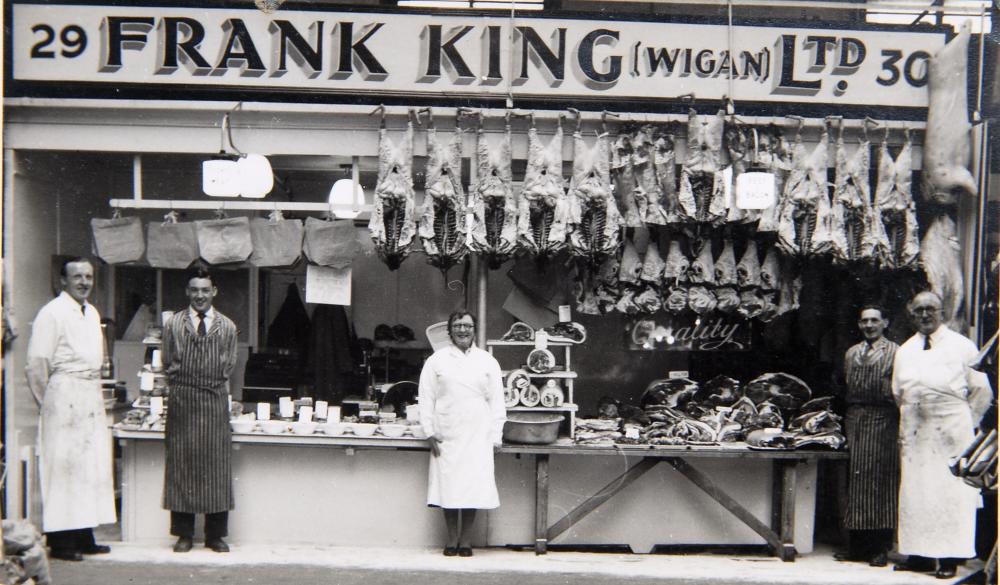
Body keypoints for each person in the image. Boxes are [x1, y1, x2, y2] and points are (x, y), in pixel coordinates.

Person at [892, 291, 993, 579]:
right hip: (917, 431)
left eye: (931, 310)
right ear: (912, 315)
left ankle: (950, 558)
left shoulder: (962, 346)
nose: (925, 315)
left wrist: (964, 424)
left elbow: (981, 391)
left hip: (953, 430)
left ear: (942, 313)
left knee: (950, 494)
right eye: (919, 310)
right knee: (917, 492)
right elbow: (899, 393)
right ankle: (920, 556)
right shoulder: (906, 350)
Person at [25, 257, 116, 561]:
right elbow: (37, 365)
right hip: (63, 398)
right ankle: (61, 542)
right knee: (64, 470)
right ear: (63, 280)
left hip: (88, 395)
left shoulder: (91, 313)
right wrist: (50, 405)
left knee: (89, 467)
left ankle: (84, 535)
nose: (83, 282)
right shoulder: (51, 313)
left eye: (88, 277)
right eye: (76, 277)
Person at [161, 267, 239, 553]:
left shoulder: (228, 327)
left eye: (205, 290)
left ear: (214, 292)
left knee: (216, 468)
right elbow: (167, 361)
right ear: (187, 292)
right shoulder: (173, 325)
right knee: (181, 467)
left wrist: (208, 382)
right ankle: (183, 534)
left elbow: (229, 365)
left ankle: (215, 535)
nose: (199, 295)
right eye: (194, 290)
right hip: (182, 401)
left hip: (214, 400)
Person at [418, 311, 506, 557]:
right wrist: (429, 431)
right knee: (449, 487)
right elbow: (426, 398)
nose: (463, 330)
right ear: (450, 331)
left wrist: (496, 435)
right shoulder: (436, 360)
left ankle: (466, 541)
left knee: (472, 487)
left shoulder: (488, 361)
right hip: (447, 432)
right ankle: (451, 539)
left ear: (474, 329)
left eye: (467, 325)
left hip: (478, 432)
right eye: (457, 326)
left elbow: (497, 402)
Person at [835, 305, 899, 567]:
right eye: (864, 321)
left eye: (874, 320)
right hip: (855, 418)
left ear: (885, 322)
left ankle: (880, 547)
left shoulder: (896, 352)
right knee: (856, 482)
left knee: (880, 483)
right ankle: (857, 546)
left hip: (884, 419)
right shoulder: (852, 353)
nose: (869, 325)